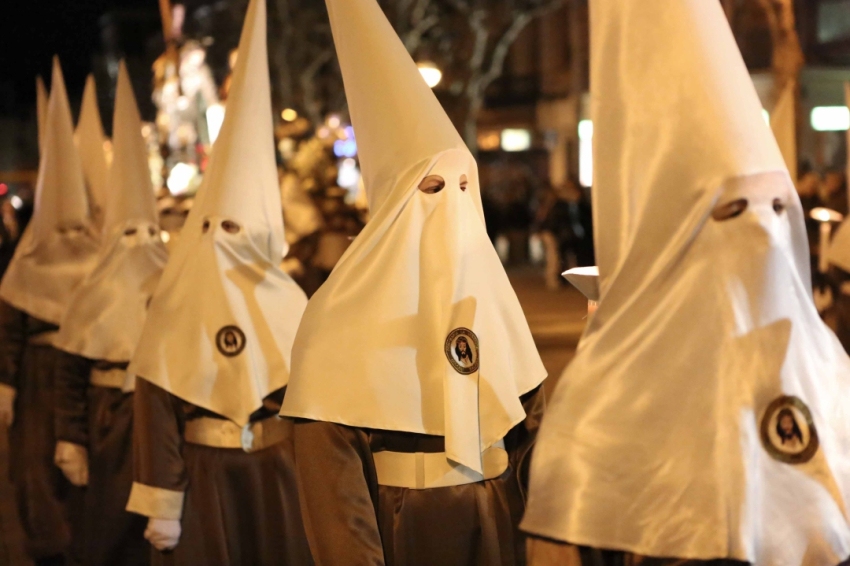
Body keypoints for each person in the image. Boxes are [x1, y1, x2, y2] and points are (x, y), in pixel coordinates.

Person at [522, 1, 850, 564]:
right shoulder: (604, 412)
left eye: (778, 207)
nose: (764, 233)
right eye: (734, 212)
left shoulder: (833, 378)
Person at [280, 0, 547, 564]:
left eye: (463, 187)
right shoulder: (336, 319)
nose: (451, 206)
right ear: (394, 205)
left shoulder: (495, 302)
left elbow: (536, 441)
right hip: (408, 530)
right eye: (430, 190)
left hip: (498, 524)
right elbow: (333, 487)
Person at [124, 0, 311, 563]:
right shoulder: (178, 301)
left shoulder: (292, 301)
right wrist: (162, 499)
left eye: (237, 228)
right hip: (205, 474)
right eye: (215, 227)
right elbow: (156, 405)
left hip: (281, 472)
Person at [52, 61, 168, 566]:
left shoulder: (172, 279)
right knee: (110, 520)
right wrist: (70, 438)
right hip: (109, 418)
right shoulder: (90, 291)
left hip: (159, 413)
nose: (139, 247)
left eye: (148, 232)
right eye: (128, 235)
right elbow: (70, 372)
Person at [0, 58, 100, 566]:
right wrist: (8, 385)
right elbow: (12, 325)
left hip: (85, 372)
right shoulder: (28, 262)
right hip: (41, 377)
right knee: (38, 470)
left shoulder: (101, 253)